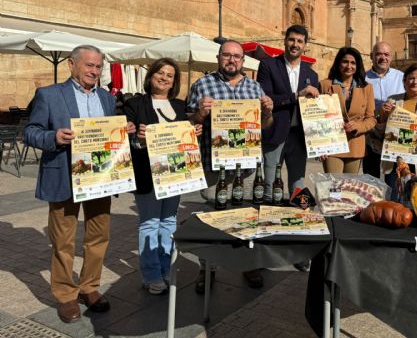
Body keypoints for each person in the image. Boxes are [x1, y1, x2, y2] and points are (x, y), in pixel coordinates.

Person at [24, 45, 135, 323]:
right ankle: (65, 295)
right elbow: (30, 132)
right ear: (71, 64)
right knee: (63, 241)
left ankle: (90, 287)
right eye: (88, 66)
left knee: (98, 236)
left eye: (98, 67)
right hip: (63, 175)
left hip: (99, 178)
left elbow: (110, 136)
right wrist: (54, 137)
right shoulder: (49, 94)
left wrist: (125, 132)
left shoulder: (107, 99)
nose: (94, 72)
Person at [188, 40, 274, 291]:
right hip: (215, 166)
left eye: (236, 56)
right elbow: (188, 122)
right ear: (218, 58)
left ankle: (248, 265)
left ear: (243, 61)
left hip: (246, 167)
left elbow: (265, 126)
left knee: (247, 215)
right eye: (227, 55)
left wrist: (267, 112)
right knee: (211, 218)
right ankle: (207, 269)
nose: (232, 60)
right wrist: (200, 115)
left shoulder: (254, 87)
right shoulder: (202, 85)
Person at [124, 58, 202, 295]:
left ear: (174, 82)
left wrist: (194, 131)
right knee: (149, 223)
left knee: (168, 222)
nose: (164, 77)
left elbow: (182, 140)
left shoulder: (180, 106)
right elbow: (126, 141)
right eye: (160, 72)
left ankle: (166, 267)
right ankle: (151, 274)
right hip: (147, 175)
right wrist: (137, 138)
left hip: (174, 175)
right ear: (151, 76)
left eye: (170, 75)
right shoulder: (135, 104)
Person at [257, 24, 319, 200]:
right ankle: (268, 220)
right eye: (292, 39)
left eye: (300, 41)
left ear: (305, 45)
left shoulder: (312, 75)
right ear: (284, 40)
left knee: (297, 187)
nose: (295, 44)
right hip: (275, 132)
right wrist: (297, 95)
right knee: (269, 185)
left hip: (300, 137)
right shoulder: (268, 65)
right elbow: (267, 100)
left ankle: (295, 222)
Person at [319, 47, 376, 173]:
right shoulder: (325, 85)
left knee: (349, 189)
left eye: (353, 63)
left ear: (358, 66)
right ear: (338, 63)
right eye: (345, 62)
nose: (349, 66)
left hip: (355, 144)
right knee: (334, 189)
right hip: (331, 144)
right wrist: (320, 146)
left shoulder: (367, 88)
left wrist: (358, 126)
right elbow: (317, 117)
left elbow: (371, 119)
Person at [363, 42, 405, 178]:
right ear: (371, 56)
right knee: (371, 177)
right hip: (371, 135)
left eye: (386, 54)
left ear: (391, 57)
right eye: (378, 54)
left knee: (393, 178)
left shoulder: (402, 77)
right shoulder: (362, 78)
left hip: (394, 135)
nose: (383, 58)